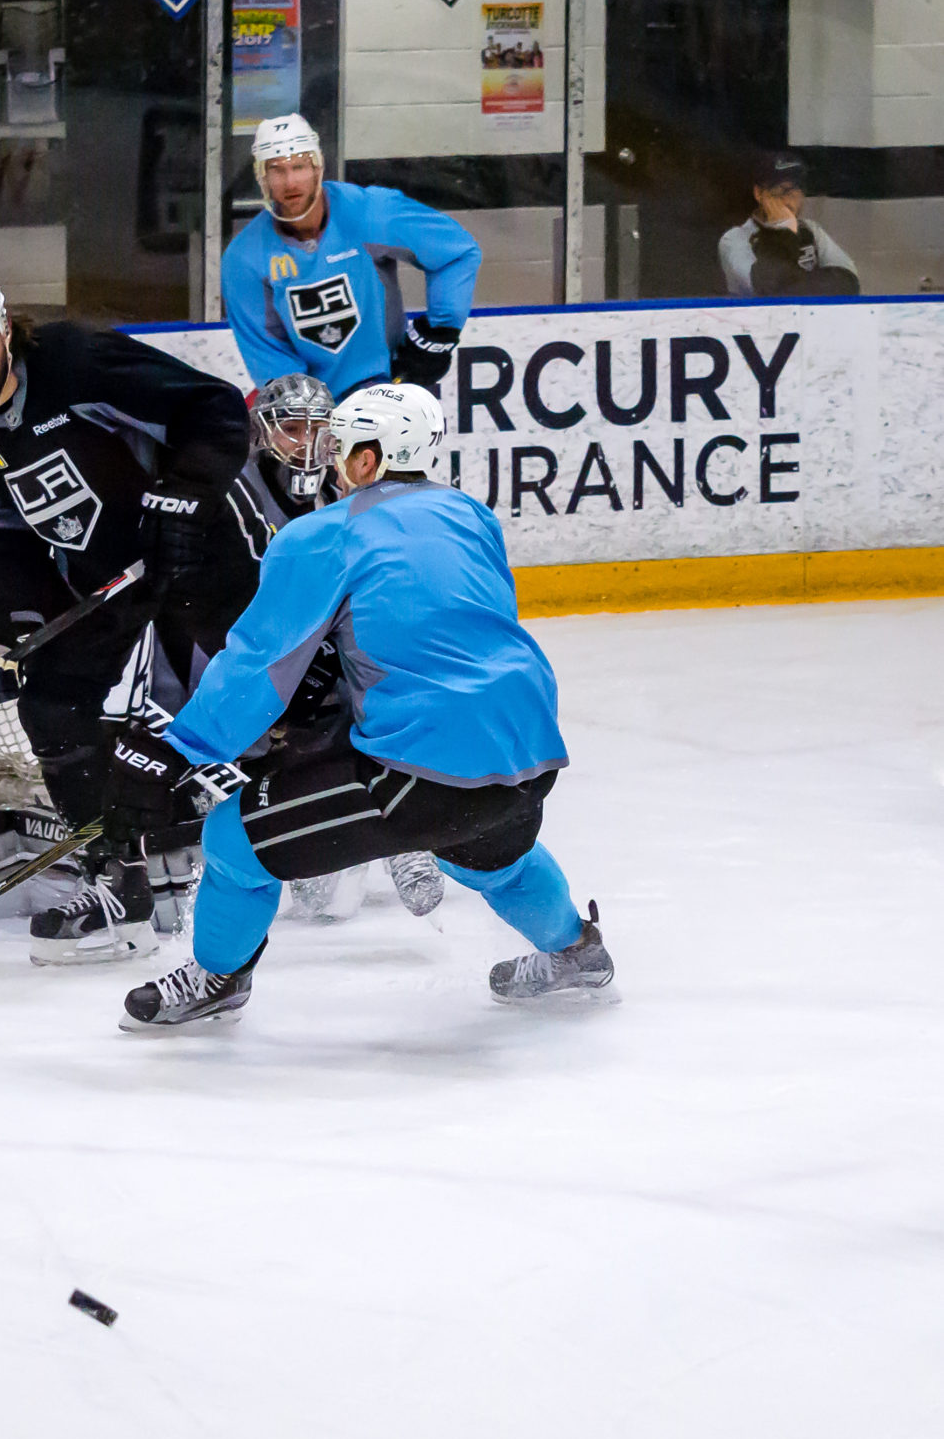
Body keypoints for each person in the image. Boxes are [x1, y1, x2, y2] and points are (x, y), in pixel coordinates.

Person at [100, 382, 614, 1031]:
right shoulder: (468, 514)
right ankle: (578, 954)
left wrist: (176, 752)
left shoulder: (322, 534)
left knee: (231, 840)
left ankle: (216, 979)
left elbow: (259, 667)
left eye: (341, 447)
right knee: (489, 857)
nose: (331, 459)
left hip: (420, 776)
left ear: (369, 459)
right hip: (527, 750)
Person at [0, 260, 264, 966]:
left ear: (4, 329)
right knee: (51, 697)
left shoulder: (74, 364)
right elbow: (6, 549)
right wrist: (2, 628)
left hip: (199, 550)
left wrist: (183, 497)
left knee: (257, 698)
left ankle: (347, 820)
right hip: (104, 581)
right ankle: (119, 883)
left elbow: (215, 409)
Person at [243, 372, 446, 921]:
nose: (306, 443)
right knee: (318, 897)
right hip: (265, 650)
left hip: (333, 651)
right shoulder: (236, 492)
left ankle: (409, 841)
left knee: (389, 696)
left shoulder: (352, 487)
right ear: (263, 432)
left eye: (318, 429)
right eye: (291, 428)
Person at [220, 113, 482, 399]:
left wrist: (437, 334)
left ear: (318, 166)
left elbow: (456, 252)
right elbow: (267, 351)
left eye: (299, 166)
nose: (290, 180)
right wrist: (310, 415)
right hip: (314, 415)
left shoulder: (370, 212)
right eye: (276, 169)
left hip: (387, 396)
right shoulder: (243, 258)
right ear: (262, 177)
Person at [719, 152, 859, 298]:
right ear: (759, 193)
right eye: (782, 190)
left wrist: (792, 283)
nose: (789, 201)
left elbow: (848, 283)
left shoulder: (810, 229)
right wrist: (783, 230)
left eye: (796, 191)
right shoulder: (735, 239)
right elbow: (767, 288)